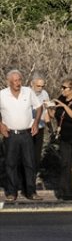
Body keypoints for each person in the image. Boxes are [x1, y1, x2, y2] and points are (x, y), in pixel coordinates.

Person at [1, 70, 44, 201]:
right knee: (11, 164)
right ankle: (11, 192)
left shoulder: (28, 92)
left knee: (29, 163)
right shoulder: (2, 94)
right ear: (9, 82)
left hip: (26, 134)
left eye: (19, 80)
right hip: (10, 134)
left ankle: (31, 192)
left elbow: (39, 107)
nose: (18, 83)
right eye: (15, 80)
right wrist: (1, 125)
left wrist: (36, 123)